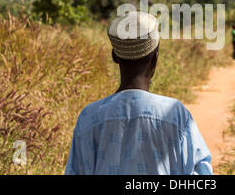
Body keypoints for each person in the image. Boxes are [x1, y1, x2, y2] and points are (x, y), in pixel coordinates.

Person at [65, 11, 212, 175]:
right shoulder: (175, 114)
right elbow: (201, 172)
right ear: (155, 58)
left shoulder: (89, 117)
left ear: (115, 57)